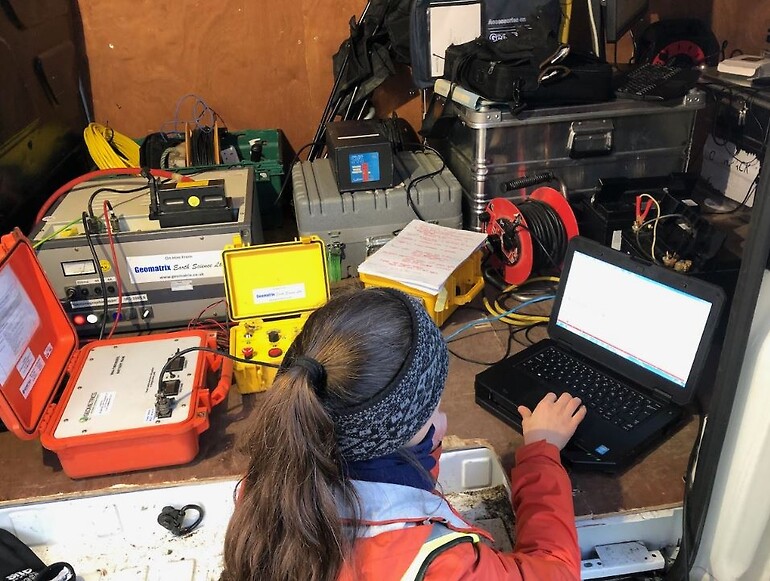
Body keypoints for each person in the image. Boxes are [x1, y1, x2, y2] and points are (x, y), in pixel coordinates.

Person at [221, 287, 587, 581]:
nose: (442, 420)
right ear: (402, 431)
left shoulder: (266, 490)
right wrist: (542, 450)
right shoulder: (438, 562)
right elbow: (555, 570)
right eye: (434, 410)